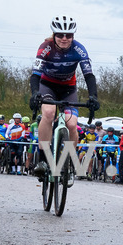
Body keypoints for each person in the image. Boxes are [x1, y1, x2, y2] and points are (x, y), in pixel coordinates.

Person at [29, 15, 99, 178]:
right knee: (48, 113)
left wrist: (93, 96)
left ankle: (67, 162)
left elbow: (89, 75)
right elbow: (35, 75)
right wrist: (34, 93)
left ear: (73, 36)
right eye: (60, 34)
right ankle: (43, 160)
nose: (64, 38)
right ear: (54, 35)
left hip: (68, 88)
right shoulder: (45, 47)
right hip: (47, 86)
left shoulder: (79, 49)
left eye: (69, 35)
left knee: (73, 125)